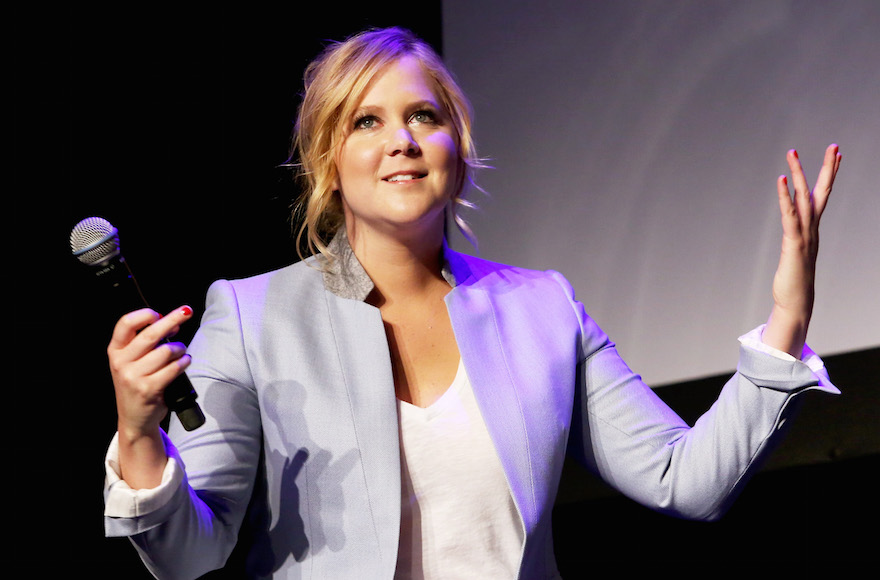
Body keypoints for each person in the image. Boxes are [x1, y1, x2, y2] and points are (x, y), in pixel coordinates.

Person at [102, 27, 842, 579]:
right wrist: (139, 435)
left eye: (424, 116)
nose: (401, 140)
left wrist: (786, 324)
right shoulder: (253, 315)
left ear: (457, 150)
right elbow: (188, 556)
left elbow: (688, 482)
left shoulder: (541, 308)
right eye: (367, 121)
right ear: (329, 160)